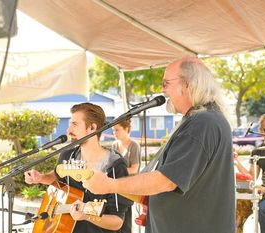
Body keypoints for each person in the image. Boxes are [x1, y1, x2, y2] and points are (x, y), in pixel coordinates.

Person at [83, 57, 236, 233]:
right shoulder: (204, 119)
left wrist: (110, 185)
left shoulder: (202, 123)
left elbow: (167, 180)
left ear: (188, 84)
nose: (162, 90)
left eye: (166, 83)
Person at [24, 103, 133, 233]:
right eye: (70, 124)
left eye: (74, 124)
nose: (68, 130)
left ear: (92, 127)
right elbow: (59, 181)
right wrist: (41, 178)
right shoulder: (68, 155)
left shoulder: (114, 165)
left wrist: (87, 216)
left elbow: (117, 222)